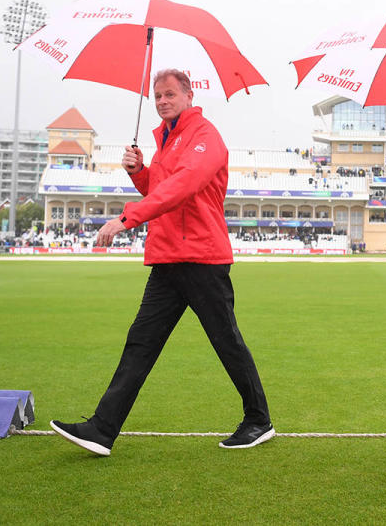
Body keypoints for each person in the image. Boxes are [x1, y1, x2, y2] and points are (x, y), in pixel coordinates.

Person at [50, 69, 274, 456]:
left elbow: (183, 186)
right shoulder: (167, 139)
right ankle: (102, 430)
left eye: (170, 94)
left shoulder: (206, 137)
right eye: (157, 96)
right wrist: (141, 173)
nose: (162, 101)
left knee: (226, 341)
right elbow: (161, 188)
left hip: (202, 257)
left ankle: (258, 420)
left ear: (189, 94)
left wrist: (126, 217)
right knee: (140, 343)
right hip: (168, 255)